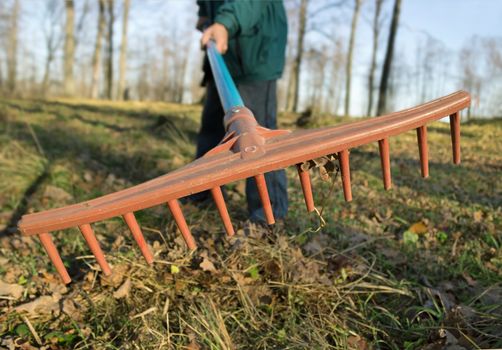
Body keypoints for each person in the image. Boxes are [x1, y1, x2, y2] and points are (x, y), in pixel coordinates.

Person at [195, 0, 288, 224]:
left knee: (256, 138)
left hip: (254, 54)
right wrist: (205, 14)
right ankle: (202, 193)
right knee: (211, 129)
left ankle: (268, 213)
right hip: (221, 58)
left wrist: (225, 23)